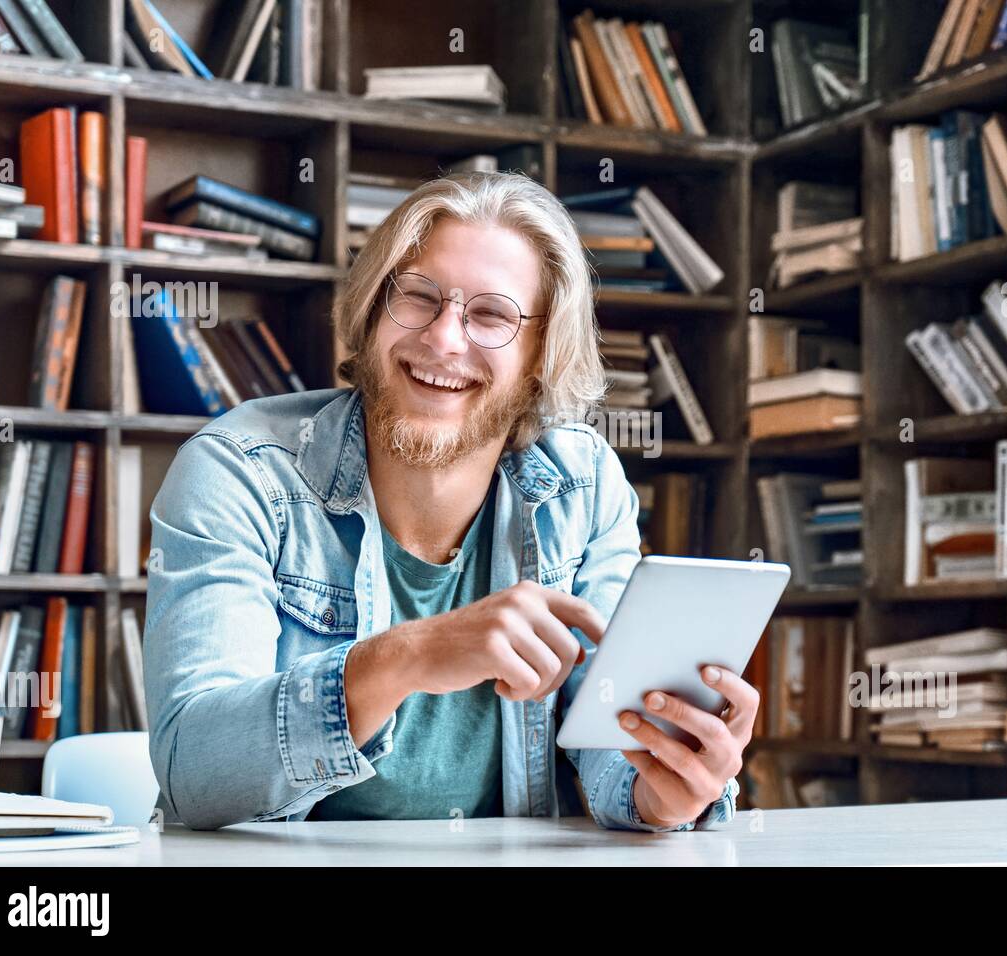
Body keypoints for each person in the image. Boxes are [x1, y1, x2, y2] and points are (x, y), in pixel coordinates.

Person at [143, 171, 752, 832]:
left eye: (490, 314)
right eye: (418, 297)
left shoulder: (583, 484)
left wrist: (663, 792)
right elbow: (192, 771)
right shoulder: (241, 471)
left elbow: (612, 737)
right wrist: (407, 657)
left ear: (540, 356)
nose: (444, 339)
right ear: (375, 309)